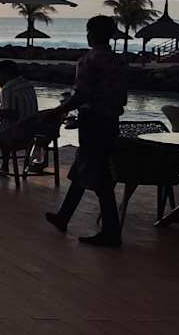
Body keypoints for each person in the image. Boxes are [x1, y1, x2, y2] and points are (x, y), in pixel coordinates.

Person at [46, 15, 128, 247]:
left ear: (92, 33)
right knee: (85, 167)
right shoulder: (119, 61)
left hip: (93, 122)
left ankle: (111, 231)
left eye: (88, 31)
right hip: (111, 122)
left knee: (97, 174)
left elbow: (82, 95)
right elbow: (122, 96)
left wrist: (58, 110)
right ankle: (64, 217)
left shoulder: (89, 60)